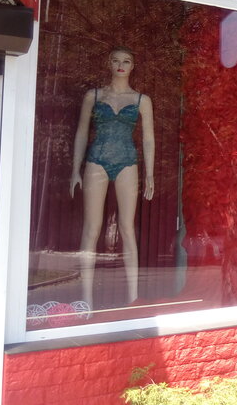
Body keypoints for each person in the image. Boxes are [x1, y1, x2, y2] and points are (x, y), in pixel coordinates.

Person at [69, 46, 154, 308]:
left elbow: (148, 139)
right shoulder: (93, 96)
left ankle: (133, 299)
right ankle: (86, 300)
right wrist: (75, 169)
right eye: (116, 60)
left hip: (128, 162)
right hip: (96, 160)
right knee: (91, 229)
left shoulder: (142, 100)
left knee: (127, 228)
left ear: (133, 66)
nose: (121, 65)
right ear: (108, 63)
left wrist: (150, 174)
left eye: (126, 61)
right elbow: (82, 133)